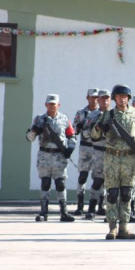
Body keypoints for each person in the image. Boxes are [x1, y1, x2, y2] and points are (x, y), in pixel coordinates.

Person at [91, 85, 135, 240]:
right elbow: (94, 136)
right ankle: (112, 228)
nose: (122, 99)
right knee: (112, 194)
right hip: (112, 158)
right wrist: (98, 127)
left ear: (128, 98)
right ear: (114, 98)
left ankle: (124, 227)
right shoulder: (107, 115)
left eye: (125, 96)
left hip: (130, 158)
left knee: (126, 193)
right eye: (119, 96)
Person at [26, 94, 76, 222]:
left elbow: (71, 136)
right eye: (50, 104)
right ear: (45, 105)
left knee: (60, 184)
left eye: (54, 104)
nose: (52, 106)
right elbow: (29, 139)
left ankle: (64, 212)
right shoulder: (39, 119)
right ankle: (44, 212)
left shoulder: (64, 119)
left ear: (58, 105)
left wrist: (70, 148)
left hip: (59, 156)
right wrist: (34, 130)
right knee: (45, 183)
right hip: (44, 155)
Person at [82, 89, 111, 220]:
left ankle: (106, 207)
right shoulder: (92, 115)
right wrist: (95, 127)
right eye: (102, 98)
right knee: (98, 181)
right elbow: (84, 134)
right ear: (97, 100)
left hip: (112, 152)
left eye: (107, 98)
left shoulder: (114, 114)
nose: (104, 101)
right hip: (98, 151)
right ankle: (91, 208)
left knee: (111, 182)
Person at [73, 88, 99, 216]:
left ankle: (98, 205)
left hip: (99, 148)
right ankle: (80, 205)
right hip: (85, 148)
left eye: (96, 97)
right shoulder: (81, 113)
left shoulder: (103, 113)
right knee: (82, 177)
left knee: (99, 178)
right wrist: (78, 127)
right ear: (87, 98)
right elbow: (73, 131)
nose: (94, 100)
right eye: (92, 97)